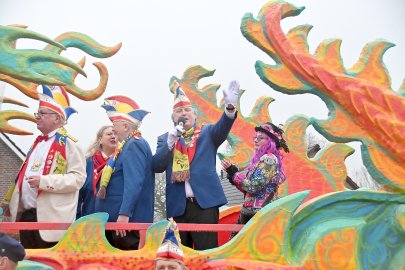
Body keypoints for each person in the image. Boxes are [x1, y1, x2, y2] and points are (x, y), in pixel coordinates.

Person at [152, 80, 240, 250]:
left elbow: (223, 127)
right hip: (177, 206)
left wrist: (229, 109)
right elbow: (156, 165)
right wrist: (170, 143)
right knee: (180, 254)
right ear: (173, 117)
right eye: (178, 111)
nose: (183, 113)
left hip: (204, 204)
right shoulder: (165, 139)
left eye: (186, 110)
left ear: (194, 115)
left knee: (205, 253)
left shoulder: (207, 133)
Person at [2, 85, 86, 249]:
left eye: (42, 113)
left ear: (57, 118)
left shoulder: (69, 144)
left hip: (51, 220)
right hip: (27, 216)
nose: (37, 117)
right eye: (37, 113)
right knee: (29, 263)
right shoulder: (36, 144)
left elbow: (78, 179)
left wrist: (44, 181)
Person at [94, 95, 154, 250]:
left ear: (126, 127)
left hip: (127, 223)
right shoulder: (127, 145)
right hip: (121, 222)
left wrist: (124, 214)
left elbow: (134, 183)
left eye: (115, 126)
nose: (113, 130)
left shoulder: (134, 145)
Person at [222, 122, 289, 237]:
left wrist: (235, 174)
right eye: (255, 137)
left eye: (261, 138)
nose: (256, 140)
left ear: (270, 142)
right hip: (250, 212)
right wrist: (233, 175)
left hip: (260, 214)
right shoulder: (260, 161)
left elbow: (253, 187)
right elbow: (248, 190)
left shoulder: (269, 160)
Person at [76, 125, 117, 219]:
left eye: (115, 134)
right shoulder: (87, 163)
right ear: (100, 140)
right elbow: (78, 194)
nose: (113, 136)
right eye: (109, 134)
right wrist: (77, 219)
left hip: (114, 222)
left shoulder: (120, 163)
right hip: (89, 220)